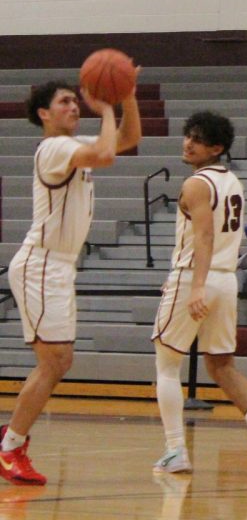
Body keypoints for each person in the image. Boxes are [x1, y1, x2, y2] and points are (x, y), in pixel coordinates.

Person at [0, 79, 142, 485]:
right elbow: (107, 152)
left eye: (74, 100)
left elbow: (127, 140)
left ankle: (11, 437)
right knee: (55, 360)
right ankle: (10, 447)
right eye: (65, 102)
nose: (74, 106)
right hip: (42, 264)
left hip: (57, 265)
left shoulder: (70, 144)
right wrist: (106, 108)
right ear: (44, 114)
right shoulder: (54, 148)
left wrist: (126, 95)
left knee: (59, 360)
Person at [150, 111, 247, 477]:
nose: (188, 143)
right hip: (226, 278)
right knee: (221, 364)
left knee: (167, 364)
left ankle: (176, 449)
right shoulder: (233, 182)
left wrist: (192, 284)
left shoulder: (196, 184)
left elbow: (204, 237)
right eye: (187, 135)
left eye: (198, 138)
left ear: (216, 148)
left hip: (198, 276)